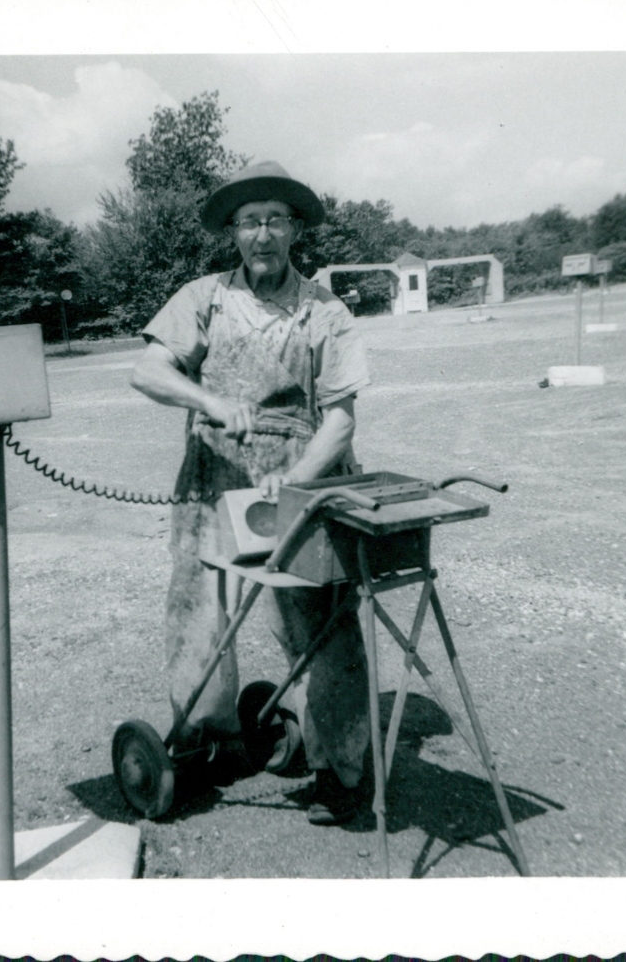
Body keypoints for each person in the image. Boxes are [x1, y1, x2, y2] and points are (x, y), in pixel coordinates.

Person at [131, 161, 372, 824]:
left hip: (303, 475)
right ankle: (207, 741)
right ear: (232, 231)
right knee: (198, 612)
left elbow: (341, 420)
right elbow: (147, 371)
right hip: (212, 473)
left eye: (274, 220)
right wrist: (208, 399)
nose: (262, 234)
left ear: (295, 229)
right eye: (248, 221)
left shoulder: (326, 311)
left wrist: (293, 482)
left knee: (318, 621)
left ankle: (342, 768)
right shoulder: (202, 298)